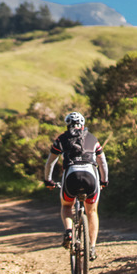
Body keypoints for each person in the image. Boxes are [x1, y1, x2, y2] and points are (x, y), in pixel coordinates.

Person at [44, 111, 108, 261]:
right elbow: (102, 162)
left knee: (67, 206)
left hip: (71, 176)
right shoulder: (93, 138)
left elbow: (50, 162)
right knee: (91, 212)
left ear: (68, 125)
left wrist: (48, 180)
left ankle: (68, 231)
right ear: (83, 125)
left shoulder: (62, 139)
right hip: (91, 177)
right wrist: (104, 181)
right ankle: (91, 247)